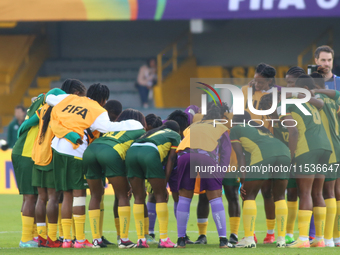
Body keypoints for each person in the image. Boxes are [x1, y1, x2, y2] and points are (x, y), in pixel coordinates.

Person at [46, 83, 143, 248]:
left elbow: (50, 98)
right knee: (79, 194)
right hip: (76, 149)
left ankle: (67, 239)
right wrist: (134, 125)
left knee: (67, 194)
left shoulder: (70, 97)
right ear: (104, 100)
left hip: (56, 146)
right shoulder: (99, 111)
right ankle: (80, 239)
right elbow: (108, 127)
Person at [278, 75, 332, 248]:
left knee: (306, 193)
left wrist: (291, 157)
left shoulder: (287, 104)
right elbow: (321, 104)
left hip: (307, 149)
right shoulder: (313, 102)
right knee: (318, 193)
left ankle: (302, 239)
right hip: (325, 147)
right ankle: (320, 239)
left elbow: (292, 132)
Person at [84, 109, 145, 248]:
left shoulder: (114, 127)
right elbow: (132, 155)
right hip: (110, 152)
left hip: (90, 150)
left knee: (95, 196)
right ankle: (123, 240)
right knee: (123, 195)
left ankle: (96, 240)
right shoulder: (140, 129)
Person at [176, 102, 234, 249]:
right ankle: (223, 241)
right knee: (215, 198)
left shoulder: (192, 127)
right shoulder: (222, 128)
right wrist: (219, 176)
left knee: (184, 197)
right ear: (220, 117)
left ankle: (181, 240)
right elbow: (226, 154)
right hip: (205, 156)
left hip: (184, 156)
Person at [230, 112, 290, 249]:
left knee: (248, 195)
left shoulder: (235, 129)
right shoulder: (261, 129)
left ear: (235, 121)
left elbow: (240, 156)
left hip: (263, 155)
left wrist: (243, 181)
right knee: (280, 196)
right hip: (284, 153)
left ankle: (249, 239)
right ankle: (281, 239)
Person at [126, 120, 180, 248]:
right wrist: (164, 184)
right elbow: (171, 159)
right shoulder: (174, 135)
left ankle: (140, 240)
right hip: (150, 152)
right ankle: (163, 239)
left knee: (138, 197)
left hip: (131, 152)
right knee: (160, 196)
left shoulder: (150, 132)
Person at [242, 63, 280, 244]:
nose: (256, 84)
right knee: (247, 191)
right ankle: (250, 233)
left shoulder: (276, 96)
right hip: (246, 146)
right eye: (255, 79)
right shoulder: (244, 91)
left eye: (261, 81)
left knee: (267, 192)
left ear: (270, 81)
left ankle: (271, 233)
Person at [309, 68, 340, 247]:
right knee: (335, 193)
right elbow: (336, 93)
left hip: (327, 148)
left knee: (327, 193)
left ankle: (327, 238)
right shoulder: (333, 97)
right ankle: (336, 237)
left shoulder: (316, 100)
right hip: (337, 145)